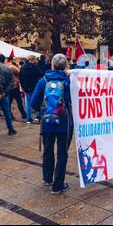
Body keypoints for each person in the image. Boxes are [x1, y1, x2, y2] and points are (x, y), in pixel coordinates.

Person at [32, 54, 73, 194]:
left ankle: (47, 178)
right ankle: (58, 186)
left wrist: (45, 110)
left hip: (47, 122)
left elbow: (33, 103)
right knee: (62, 153)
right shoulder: (69, 81)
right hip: (64, 123)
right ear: (65, 65)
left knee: (48, 149)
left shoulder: (43, 80)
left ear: (52, 65)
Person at [20, 55, 42, 123]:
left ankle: (29, 118)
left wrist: (22, 87)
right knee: (37, 101)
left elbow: (21, 78)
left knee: (28, 103)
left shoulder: (23, 67)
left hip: (26, 88)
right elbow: (41, 75)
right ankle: (38, 116)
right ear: (34, 60)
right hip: (35, 87)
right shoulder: (36, 67)